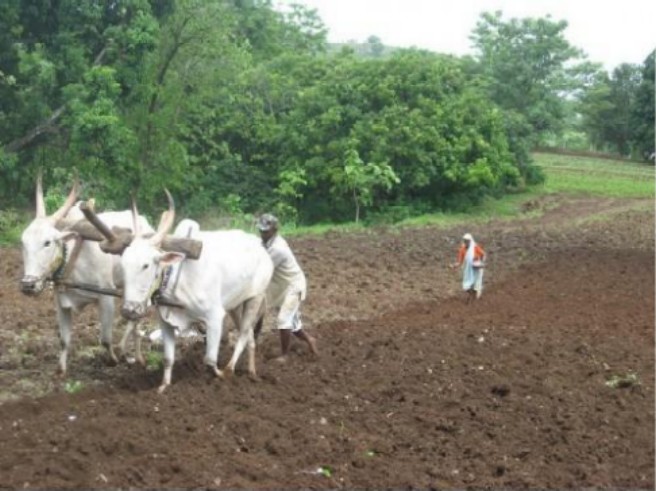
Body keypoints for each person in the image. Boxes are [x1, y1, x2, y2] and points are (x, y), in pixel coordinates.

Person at [257, 213, 318, 362]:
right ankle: (310, 340)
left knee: (283, 320)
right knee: (293, 324)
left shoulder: (277, 249)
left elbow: (261, 267)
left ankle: (285, 355)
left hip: (293, 286)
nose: (263, 234)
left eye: (266, 231)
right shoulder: (266, 243)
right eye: (261, 231)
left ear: (274, 230)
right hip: (282, 287)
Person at [451, 233, 486, 303]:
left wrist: (481, 262)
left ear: (470, 241)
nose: (466, 242)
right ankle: (472, 296)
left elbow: (483, 254)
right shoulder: (462, 249)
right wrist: (454, 265)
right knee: (466, 285)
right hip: (468, 270)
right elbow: (460, 261)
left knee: (476, 284)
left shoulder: (475, 248)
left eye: (467, 241)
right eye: (465, 241)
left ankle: (474, 300)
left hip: (476, 269)